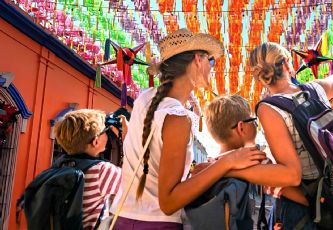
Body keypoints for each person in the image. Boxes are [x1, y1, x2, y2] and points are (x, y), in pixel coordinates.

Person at [110, 28, 266, 229]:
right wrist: (228, 161)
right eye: (210, 61)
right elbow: (169, 202)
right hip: (156, 224)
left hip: (122, 217)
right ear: (197, 60)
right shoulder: (177, 117)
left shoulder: (145, 98)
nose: (212, 68)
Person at [249, 42, 333, 229]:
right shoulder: (316, 89)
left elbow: (291, 175)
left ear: (259, 75)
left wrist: (236, 168)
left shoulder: (269, 109)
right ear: (286, 64)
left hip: (305, 206)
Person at [54, 109, 122, 230]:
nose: (108, 134)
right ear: (96, 141)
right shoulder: (101, 171)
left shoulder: (58, 165)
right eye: (106, 131)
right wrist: (127, 138)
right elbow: (136, 180)